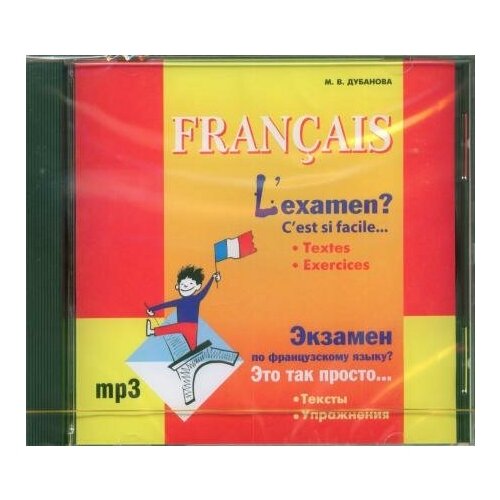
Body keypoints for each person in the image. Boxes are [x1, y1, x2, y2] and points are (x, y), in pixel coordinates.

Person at [145, 265, 220, 350]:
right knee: (178, 331)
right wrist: (152, 309)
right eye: (183, 284)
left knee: (191, 346)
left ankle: (152, 331)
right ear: (177, 286)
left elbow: (205, 290)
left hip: (191, 327)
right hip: (184, 326)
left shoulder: (196, 298)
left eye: (191, 283)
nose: (186, 286)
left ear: (198, 286)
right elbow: (166, 305)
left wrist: (212, 278)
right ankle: (152, 331)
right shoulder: (179, 301)